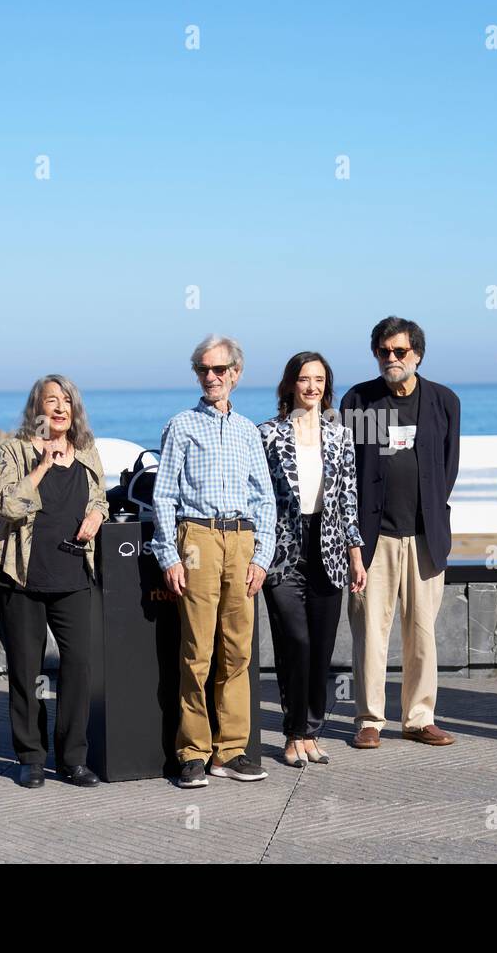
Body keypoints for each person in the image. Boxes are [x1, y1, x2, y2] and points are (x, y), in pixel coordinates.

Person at [151, 334, 277, 788]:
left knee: (238, 652)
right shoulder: (181, 425)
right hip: (198, 537)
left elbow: (265, 499)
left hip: (241, 539)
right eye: (203, 370)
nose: (211, 377)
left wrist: (261, 556)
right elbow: (163, 495)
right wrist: (170, 554)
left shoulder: (248, 431)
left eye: (220, 370)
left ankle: (232, 751)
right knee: (196, 652)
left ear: (236, 374)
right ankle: (192, 752)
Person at [341, 316, 460, 749]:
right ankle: (370, 719)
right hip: (374, 540)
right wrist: (353, 542)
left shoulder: (443, 401)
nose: (391, 359)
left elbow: (447, 468)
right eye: (383, 352)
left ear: (417, 354)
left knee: (422, 632)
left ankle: (419, 717)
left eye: (399, 351)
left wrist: (429, 509)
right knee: (371, 632)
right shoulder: (361, 400)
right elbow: (350, 471)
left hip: (426, 536)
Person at [0, 375, 109, 789]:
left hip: (73, 575)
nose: (59, 408)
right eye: (50, 400)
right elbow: (5, 504)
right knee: (26, 670)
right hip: (22, 577)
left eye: (66, 401)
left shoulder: (88, 451)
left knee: (79, 667)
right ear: (36, 408)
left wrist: (97, 515)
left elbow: (100, 498)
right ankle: (31, 757)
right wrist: (42, 466)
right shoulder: (14, 450)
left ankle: (73, 759)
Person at [258, 352, 367, 768]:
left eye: (319, 379)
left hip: (329, 547)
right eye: (304, 379)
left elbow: (348, 500)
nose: (312, 387)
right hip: (283, 551)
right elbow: (258, 499)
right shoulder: (267, 434)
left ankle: (312, 732)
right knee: (294, 644)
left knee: (321, 649)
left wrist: (355, 554)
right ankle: (293, 732)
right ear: (290, 384)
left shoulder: (339, 436)